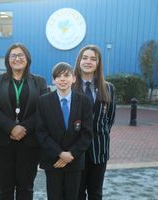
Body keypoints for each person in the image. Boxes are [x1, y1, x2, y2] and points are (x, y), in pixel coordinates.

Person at [0, 43, 48, 200]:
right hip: (0, 142)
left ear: (27, 59)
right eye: (13, 55)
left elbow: (43, 110)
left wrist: (23, 128)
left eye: (21, 55)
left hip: (29, 143)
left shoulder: (39, 82)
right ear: (8, 60)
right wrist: (11, 128)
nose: (17, 58)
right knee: (3, 189)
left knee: (26, 188)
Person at [36, 62, 93, 200]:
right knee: (54, 196)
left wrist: (71, 154)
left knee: (72, 196)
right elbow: (41, 132)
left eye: (66, 75)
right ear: (53, 80)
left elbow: (87, 133)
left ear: (73, 78)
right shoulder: (43, 101)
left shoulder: (84, 101)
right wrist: (60, 153)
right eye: (58, 76)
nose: (62, 79)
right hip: (53, 160)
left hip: (74, 160)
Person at [73, 45, 116, 200]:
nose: (88, 61)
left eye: (93, 59)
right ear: (79, 61)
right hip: (76, 150)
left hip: (99, 150)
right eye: (84, 58)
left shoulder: (108, 88)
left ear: (98, 63)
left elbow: (109, 119)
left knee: (96, 193)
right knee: (77, 193)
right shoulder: (70, 87)